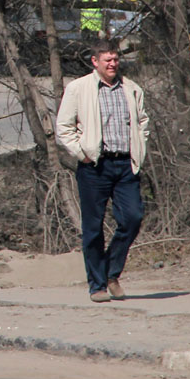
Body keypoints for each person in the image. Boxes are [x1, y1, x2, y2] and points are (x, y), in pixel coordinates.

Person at [56, 39, 150, 303]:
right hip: (94, 166)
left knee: (132, 218)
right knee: (93, 228)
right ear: (95, 62)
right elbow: (63, 127)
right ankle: (97, 285)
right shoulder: (78, 89)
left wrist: (140, 146)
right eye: (107, 60)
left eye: (116, 59)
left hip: (125, 165)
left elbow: (143, 121)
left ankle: (111, 272)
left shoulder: (131, 89)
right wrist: (81, 153)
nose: (113, 64)